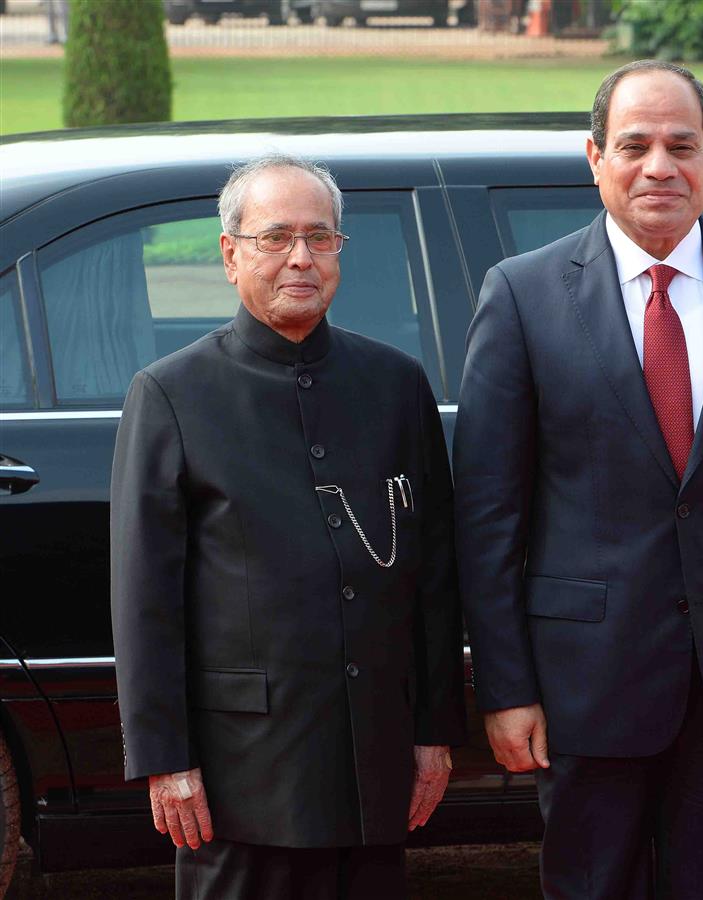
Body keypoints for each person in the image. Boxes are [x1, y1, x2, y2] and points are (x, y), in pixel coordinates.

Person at [454, 60, 703, 900]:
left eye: (682, 145)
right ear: (594, 156)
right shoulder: (524, 295)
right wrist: (507, 688)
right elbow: (489, 514)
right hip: (582, 686)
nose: (659, 166)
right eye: (635, 144)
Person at [110, 154, 464, 900]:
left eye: (320, 237)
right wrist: (165, 760)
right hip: (243, 771)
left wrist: (434, 733)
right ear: (230, 253)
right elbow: (146, 602)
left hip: (373, 758)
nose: (301, 257)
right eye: (275, 237)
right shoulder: (172, 394)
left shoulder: (396, 386)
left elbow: (432, 575)